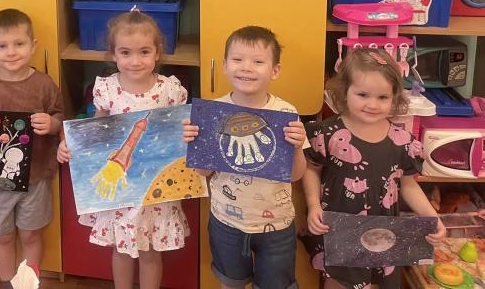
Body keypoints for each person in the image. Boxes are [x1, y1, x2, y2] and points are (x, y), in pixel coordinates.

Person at [57, 10, 190, 289]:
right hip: (121, 191)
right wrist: (69, 146)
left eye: (144, 52)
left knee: (150, 251)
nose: (135, 61)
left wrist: (188, 135)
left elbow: (178, 132)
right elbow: (95, 132)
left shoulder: (170, 91)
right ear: (113, 54)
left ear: (157, 52)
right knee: (121, 249)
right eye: (125, 52)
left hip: (154, 192)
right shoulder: (107, 89)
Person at [301, 47, 446, 288]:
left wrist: (432, 216)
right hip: (338, 228)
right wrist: (313, 205)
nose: (372, 104)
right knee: (338, 282)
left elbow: (408, 186)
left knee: (377, 282)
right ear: (344, 91)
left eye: (382, 97)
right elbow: (311, 169)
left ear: (394, 98)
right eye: (362, 94)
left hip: (382, 232)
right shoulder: (327, 133)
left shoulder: (403, 141)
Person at [182, 25, 308, 289]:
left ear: (275, 70)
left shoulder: (286, 112)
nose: (246, 68)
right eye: (237, 59)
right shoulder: (214, 112)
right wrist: (195, 144)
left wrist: (297, 147)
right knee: (231, 282)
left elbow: (296, 175)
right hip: (226, 221)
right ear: (224, 65)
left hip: (277, 223)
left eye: (258, 62)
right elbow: (204, 173)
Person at [0, 9, 63, 289]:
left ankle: (29, 284)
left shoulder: (44, 85)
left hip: (36, 177)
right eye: (2, 46)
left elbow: (60, 119)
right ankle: (8, 282)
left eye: (19, 44)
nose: (11, 52)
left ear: (33, 45)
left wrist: (52, 124)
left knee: (31, 234)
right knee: (3, 236)